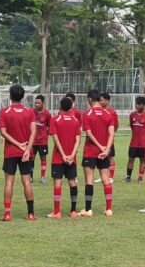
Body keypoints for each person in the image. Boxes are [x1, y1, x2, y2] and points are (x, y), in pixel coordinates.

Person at [0, 85, 37, 221]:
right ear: (22, 96)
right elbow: (33, 131)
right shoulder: (29, 112)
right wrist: (27, 149)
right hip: (26, 153)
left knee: (9, 182)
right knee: (26, 181)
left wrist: (16, 144)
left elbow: (3, 132)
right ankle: (31, 213)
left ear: (10, 96)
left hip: (10, 152)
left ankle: (7, 213)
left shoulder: (5, 111)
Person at [79, 89, 114, 217]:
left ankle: (88, 209)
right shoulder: (108, 114)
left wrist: (100, 146)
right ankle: (109, 209)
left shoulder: (87, 114)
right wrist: (106, 149)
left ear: (89, 99)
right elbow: (111, 133)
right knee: (106, 180)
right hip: (105, 152)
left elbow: (89, 133)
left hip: (90, 151)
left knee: (89, 180)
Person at [47, 97, 82, 218]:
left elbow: (55, 139)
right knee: (72, 182)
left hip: (58, 157)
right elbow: (78, 140)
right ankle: (73, 211)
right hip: (72, 158)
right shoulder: (75, 120)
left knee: (58, 183)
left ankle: (57, 211)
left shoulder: (55, 119)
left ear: (59, 106)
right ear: (71, 107)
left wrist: (63, 155)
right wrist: (72, 155)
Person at [125, 96, 145, 183]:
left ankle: (140, 177)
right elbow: (132, 126)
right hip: (133, 143)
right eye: (136, 104)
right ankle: (128, 176)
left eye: (139, 104)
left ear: (144, 105)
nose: (137, 106)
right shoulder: (132, 115)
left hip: (143, 144)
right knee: (130, 159)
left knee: (142, 160)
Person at [31, 94, 52, 183]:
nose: (36, 105)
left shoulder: (47, 114)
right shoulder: (31, 112)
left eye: (38, 103)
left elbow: (51, 126)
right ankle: (30, 177)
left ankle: (42, 177)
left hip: (43, 141)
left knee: (43, 158)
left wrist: (45, 134)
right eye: (35, 103)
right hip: (33, 141)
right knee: (31, 158)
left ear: (43, 103)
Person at [100, 92, 119, 182]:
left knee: (110, 157)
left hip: (108, 140)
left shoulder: (112, 112)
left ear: (107, 101)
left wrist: (110, 135)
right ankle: (103, 176)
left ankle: (111, 177)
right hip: (100, 139)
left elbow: (115, 126)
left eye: (101, 100)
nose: (100, 102)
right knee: (102, 157)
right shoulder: (99, 111)